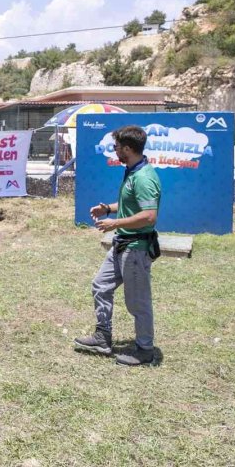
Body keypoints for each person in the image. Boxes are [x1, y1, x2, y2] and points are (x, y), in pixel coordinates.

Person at [74, 125, 161, 367]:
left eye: (117, 147)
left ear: (128, 149)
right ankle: (103, 337)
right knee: (100, 285)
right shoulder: (133, 171)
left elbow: (149, 216)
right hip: (122, 244)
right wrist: (108, 209)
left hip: (136, 248)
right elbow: (130, 204)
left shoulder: (144, 178)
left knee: (137, 302)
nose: (114, 150)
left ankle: (145, 350)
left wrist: (115, 223)